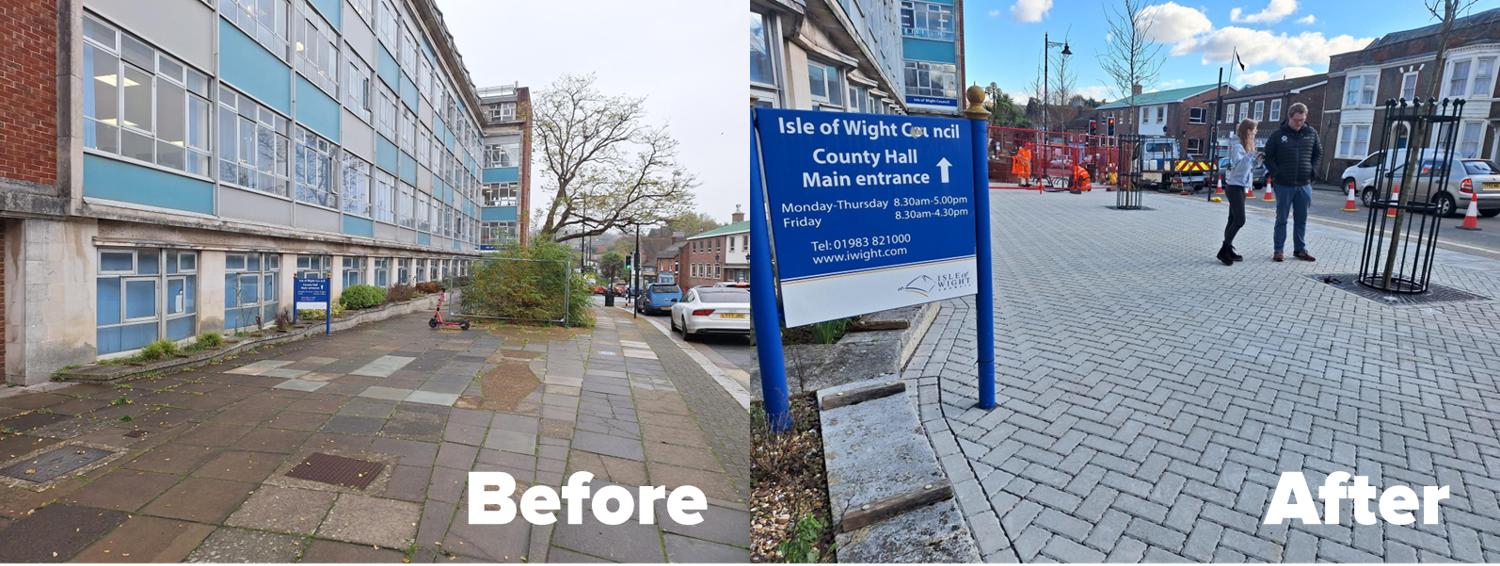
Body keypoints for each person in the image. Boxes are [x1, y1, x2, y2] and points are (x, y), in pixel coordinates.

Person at [1260, 102, 1322, 262]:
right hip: (1284, 184)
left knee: (1301, 219)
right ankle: (1278, 250)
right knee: (1282, 219)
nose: (1299, 123)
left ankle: (1300, 250)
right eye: (1296, 120)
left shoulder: (1312, 133)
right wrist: (1276, 173)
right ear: (1289, 117)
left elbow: (1318, 153)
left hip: (1304, 184)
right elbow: (1267, 157)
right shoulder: (1278, 134)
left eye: (1302, 120)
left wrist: (1313, 170)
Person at [1217, 118, 1259, 265]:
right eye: (1254, 131)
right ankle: (1224, 250)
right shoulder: (1238, 147)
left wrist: (1254, 159)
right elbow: (1239, 166)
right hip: (1234, 187)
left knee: (1232, 219)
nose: (1255, 133)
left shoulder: (1241, 146)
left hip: (1239, 186)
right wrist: (1251, 155)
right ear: (1248, 131)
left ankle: (1228, 249)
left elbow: (1243, 168)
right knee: (1240, 220)